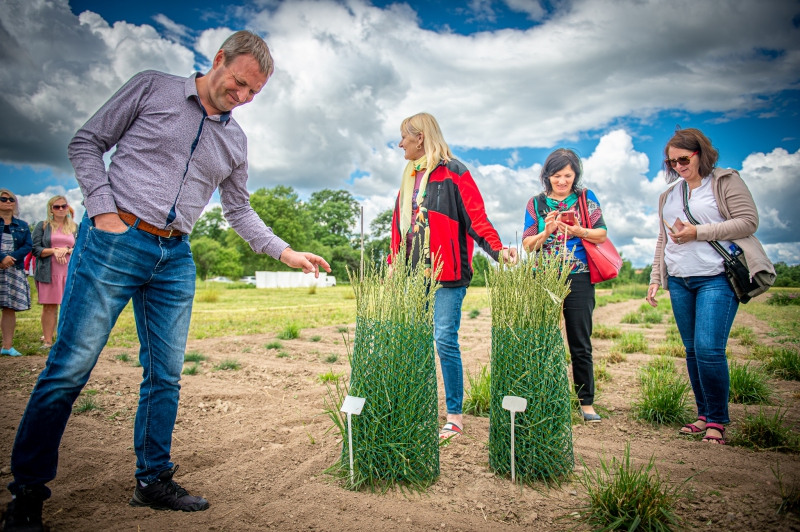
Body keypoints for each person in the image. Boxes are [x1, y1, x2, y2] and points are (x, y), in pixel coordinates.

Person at [3, 30, 331, 530]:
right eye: (239, 83)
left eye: (254, 92)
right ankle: (27, 495)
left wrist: (285, 252)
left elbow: (239, 210)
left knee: (166, 375)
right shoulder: (152, 87)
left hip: (174, 257)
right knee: (69, 368)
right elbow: (86, 142)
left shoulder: (235, 141)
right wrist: (104, 210)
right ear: (218, 59)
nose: (243, 97)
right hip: (115, 241)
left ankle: (152, 480)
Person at [389, 112, 517, 440]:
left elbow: (477, 218)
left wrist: (498, 250)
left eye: (404, 136)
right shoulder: (408, 178)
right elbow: (400, 231)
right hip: (413, 275)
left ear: (420, 137)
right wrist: (392, 265)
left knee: (444, 339)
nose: (400, 143)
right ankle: (419, 408)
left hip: (447, 274)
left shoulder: (454, 172)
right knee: (415, 342)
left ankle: (455, 415)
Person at [646, 127, 774, 445]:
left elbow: (748, 221)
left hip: (716, 276)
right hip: (680, 279)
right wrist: (656, 277)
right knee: (692, 350)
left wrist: (698, 232)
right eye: (671, 162)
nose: (678, 166)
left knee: (708, 348)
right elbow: (663, 238)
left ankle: (717, 420)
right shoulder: (669, 195)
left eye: (683, 159)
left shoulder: (725, 181)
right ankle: (703, 415)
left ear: (700, 154)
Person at [521, 149, 607, 422]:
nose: (562, 181)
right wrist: (546, 231)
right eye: (556, 176)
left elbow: (601, 234)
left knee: (580, 341)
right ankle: (547, 399)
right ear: (547, 176)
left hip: (579, 275)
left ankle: (586, 402)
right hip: (543, 277)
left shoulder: (585, 198)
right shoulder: (535, 203)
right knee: (543, 339)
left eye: (568, 176)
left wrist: (578, 230)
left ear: (575, 175)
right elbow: (527, 245)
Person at [32, 196, 78, 349]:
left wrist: (67, 250)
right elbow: (35, 249)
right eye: (56, 207)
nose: (61, 209)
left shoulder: (75, 227)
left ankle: (65, 340)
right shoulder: (43, 226)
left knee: (69, 306)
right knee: (49, 307)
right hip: (48, 271)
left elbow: (80, 248)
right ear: (51, 209)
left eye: (63, 206)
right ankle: (47, 340)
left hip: (69, 271)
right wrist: (54, 250)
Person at [0, 189, 32, 358]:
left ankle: (7, 346)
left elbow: (28, 245)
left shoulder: (22, 225)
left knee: (9, 308)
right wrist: (2, 258)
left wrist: (11, 258)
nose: (8, 202)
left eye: (11, 199)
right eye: (3, 199)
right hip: (2, 263)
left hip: (12, 269)